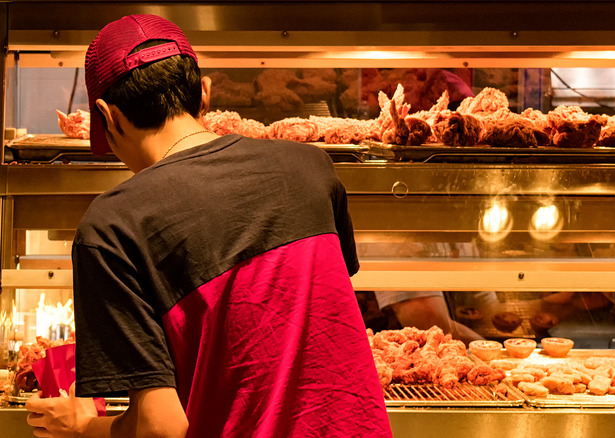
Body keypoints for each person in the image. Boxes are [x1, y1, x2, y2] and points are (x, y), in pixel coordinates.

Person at [26, 14, 392, 438]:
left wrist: (85, 425)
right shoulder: (312, 166)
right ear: (205, 93)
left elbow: (160, 428)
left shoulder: (112, 226)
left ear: (108, 118)